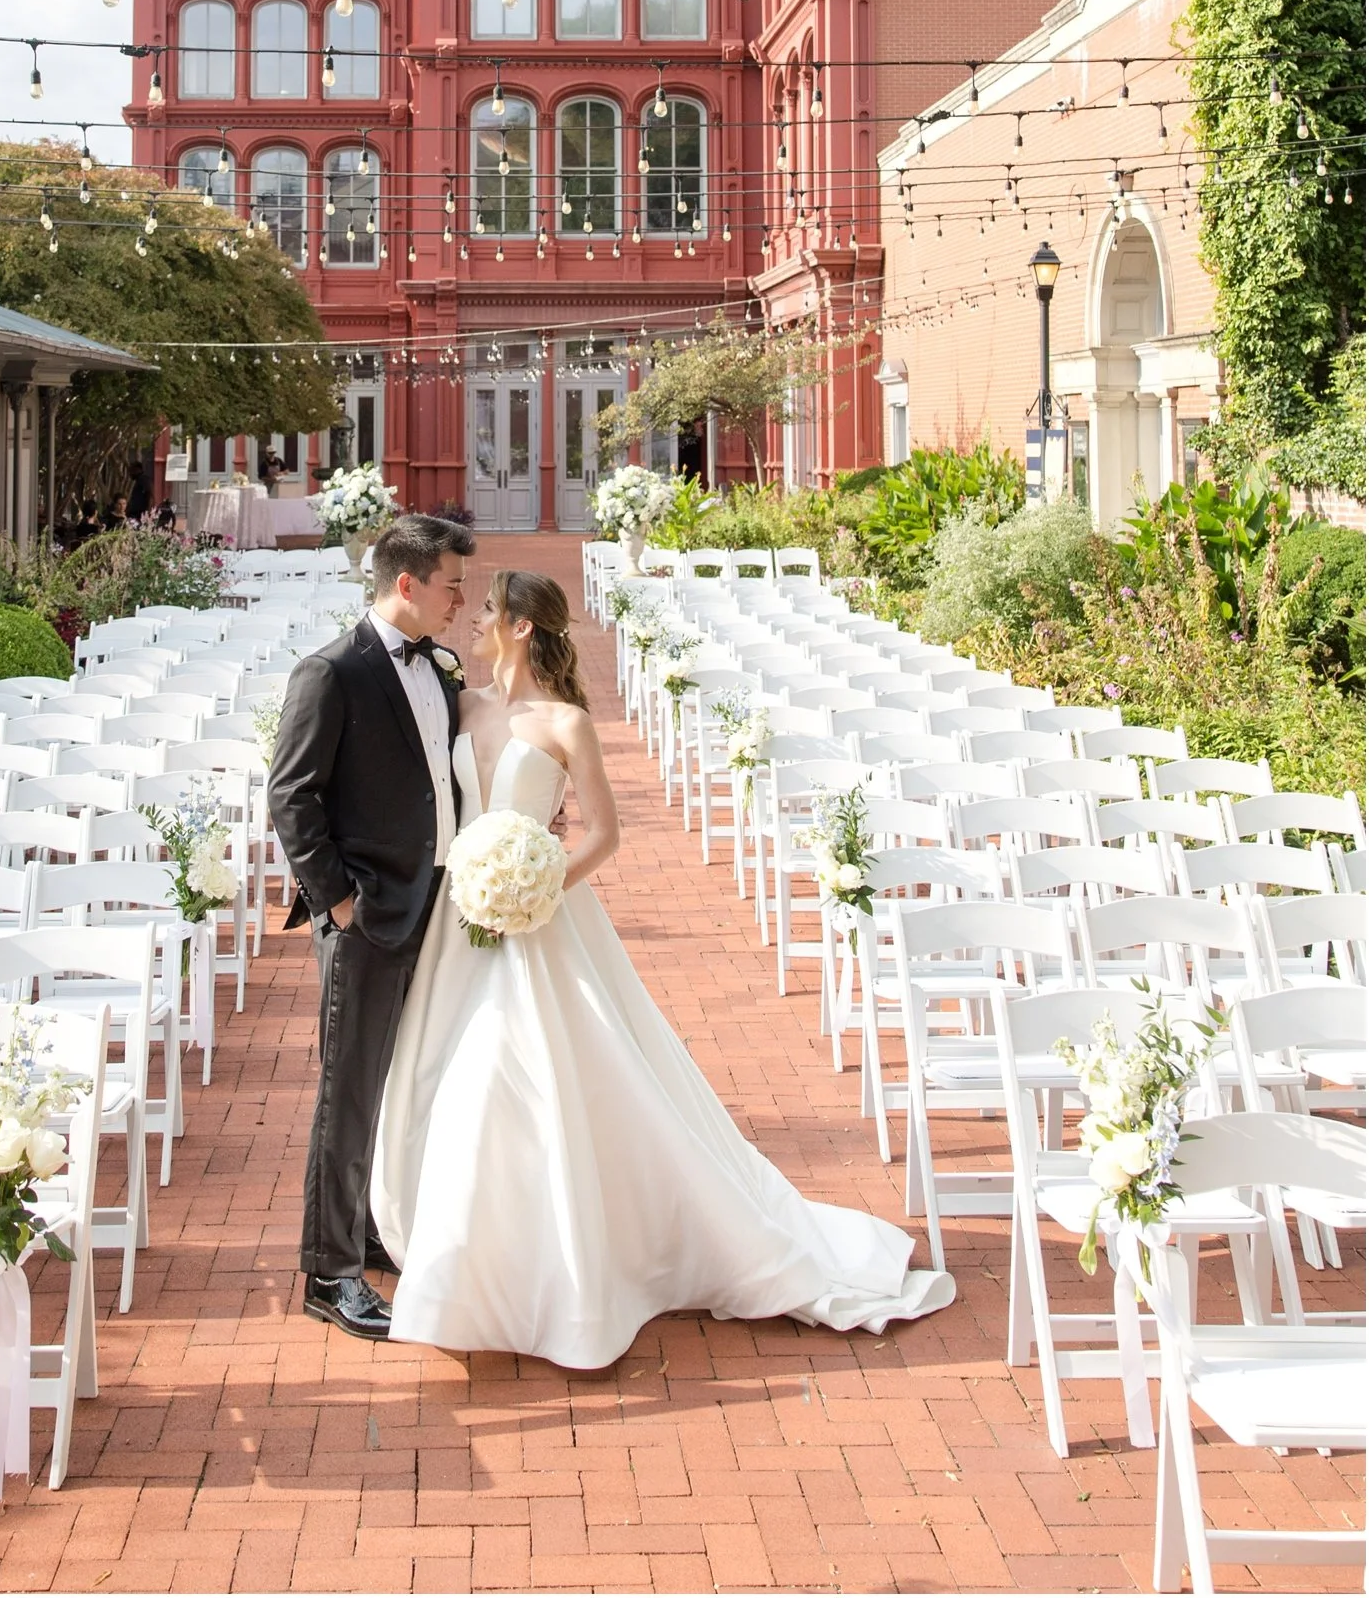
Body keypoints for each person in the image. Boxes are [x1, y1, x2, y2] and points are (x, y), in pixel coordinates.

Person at [370, 569, 956, 1369]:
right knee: (459, 1078)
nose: (472, 620)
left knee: (533, 1079)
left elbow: (603, 835)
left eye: (490, 613)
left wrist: (539, 887)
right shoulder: (460, 708)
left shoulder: (570, 723)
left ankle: (558, 1273)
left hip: (541, 924)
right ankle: (475, 1264)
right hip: (459, 924)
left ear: (523, 629)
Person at [266, 511, 473, 1340]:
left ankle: (375, 1225)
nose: (463, 600)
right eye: (453, 586)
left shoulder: (442, 666)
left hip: (439, 906)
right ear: (408, 583)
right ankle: (330, 1270)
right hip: (367, 913)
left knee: (407, 1079)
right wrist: (337, 902)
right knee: (348, 1090)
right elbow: (291, 795)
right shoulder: (332, 673)